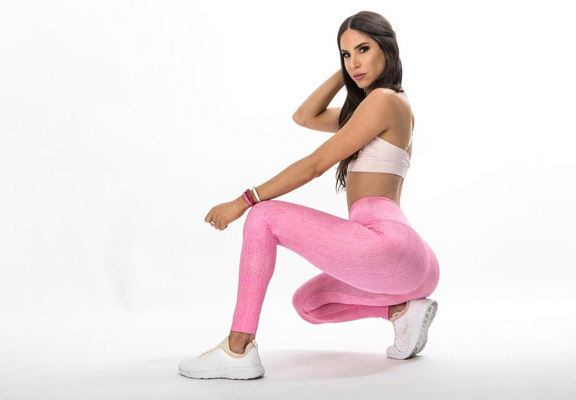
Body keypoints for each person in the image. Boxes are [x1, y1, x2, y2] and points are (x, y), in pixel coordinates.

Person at [178, 10, 440, 380]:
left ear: (387, 48)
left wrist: (243, 201)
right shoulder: (374, 108)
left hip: (387, 244)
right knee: (310, 304)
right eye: (346, 54)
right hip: (414, 265)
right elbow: (304, 116)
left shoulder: (384, 100)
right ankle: (401, 311)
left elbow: (316, 164)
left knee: (263, 215)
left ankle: (237, 349)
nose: (354, 62)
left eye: (363, 49)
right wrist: (348, 71)